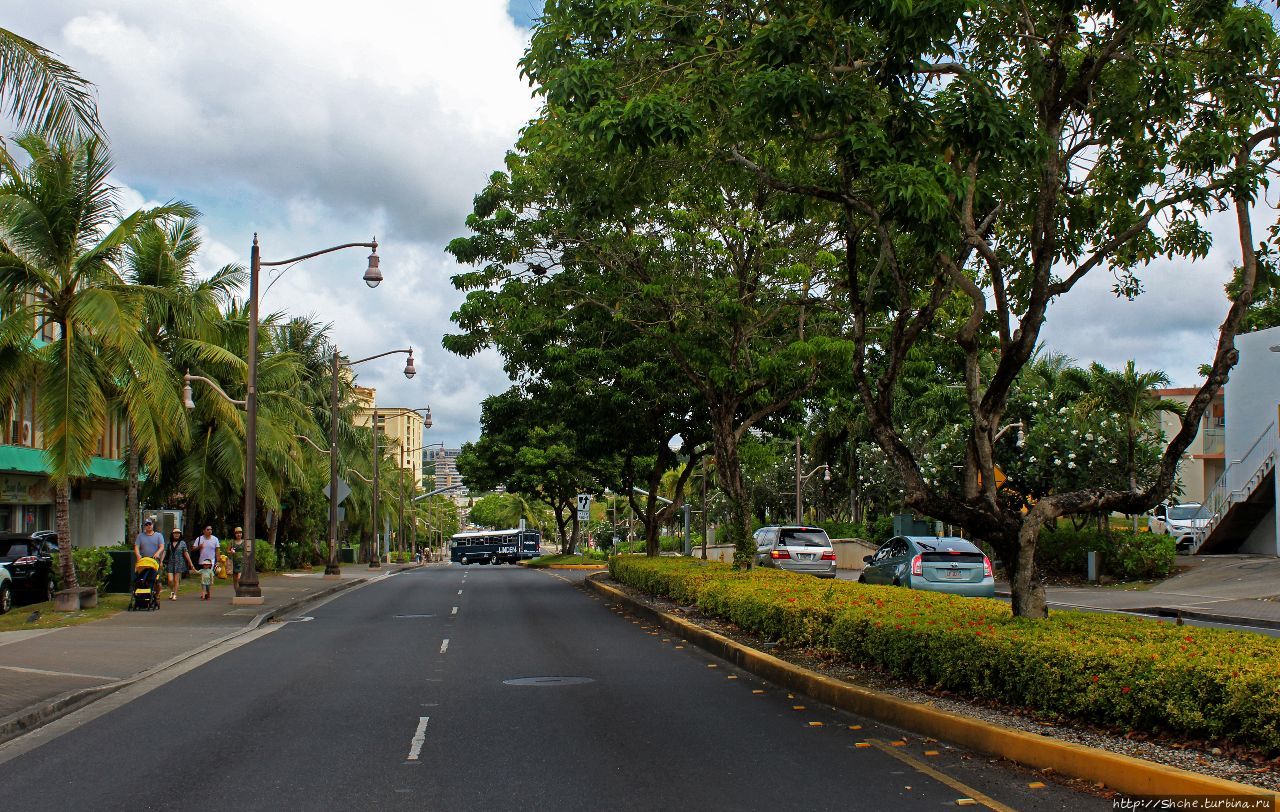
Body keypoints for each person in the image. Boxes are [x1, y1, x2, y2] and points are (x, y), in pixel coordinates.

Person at [163, 528, 196, 600]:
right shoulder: (169, 543)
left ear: (180, 534)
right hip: (171, 562)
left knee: (176, 580)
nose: (177, 534)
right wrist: (161, 561)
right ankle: (172, 591)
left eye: (178, 533)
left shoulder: (182, 543)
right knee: (170, 580)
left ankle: (175, 594)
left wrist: (191, 563)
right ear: (172, 534)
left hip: (179, 562)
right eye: (175, 533)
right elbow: (165, 552)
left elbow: (186, 553)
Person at [192, 525, 219, 600]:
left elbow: (217, 550)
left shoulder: (215, 539)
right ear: (203, 531)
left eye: (211, 529)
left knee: (210, 577)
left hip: (211, 561)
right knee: (203, 578)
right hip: (202, 561)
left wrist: (218, 560)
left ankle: (207, 592)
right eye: (208, 529)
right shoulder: (199, 538)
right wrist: (199, 547)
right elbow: (193, 549)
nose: (210, 531)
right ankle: (205, 592)